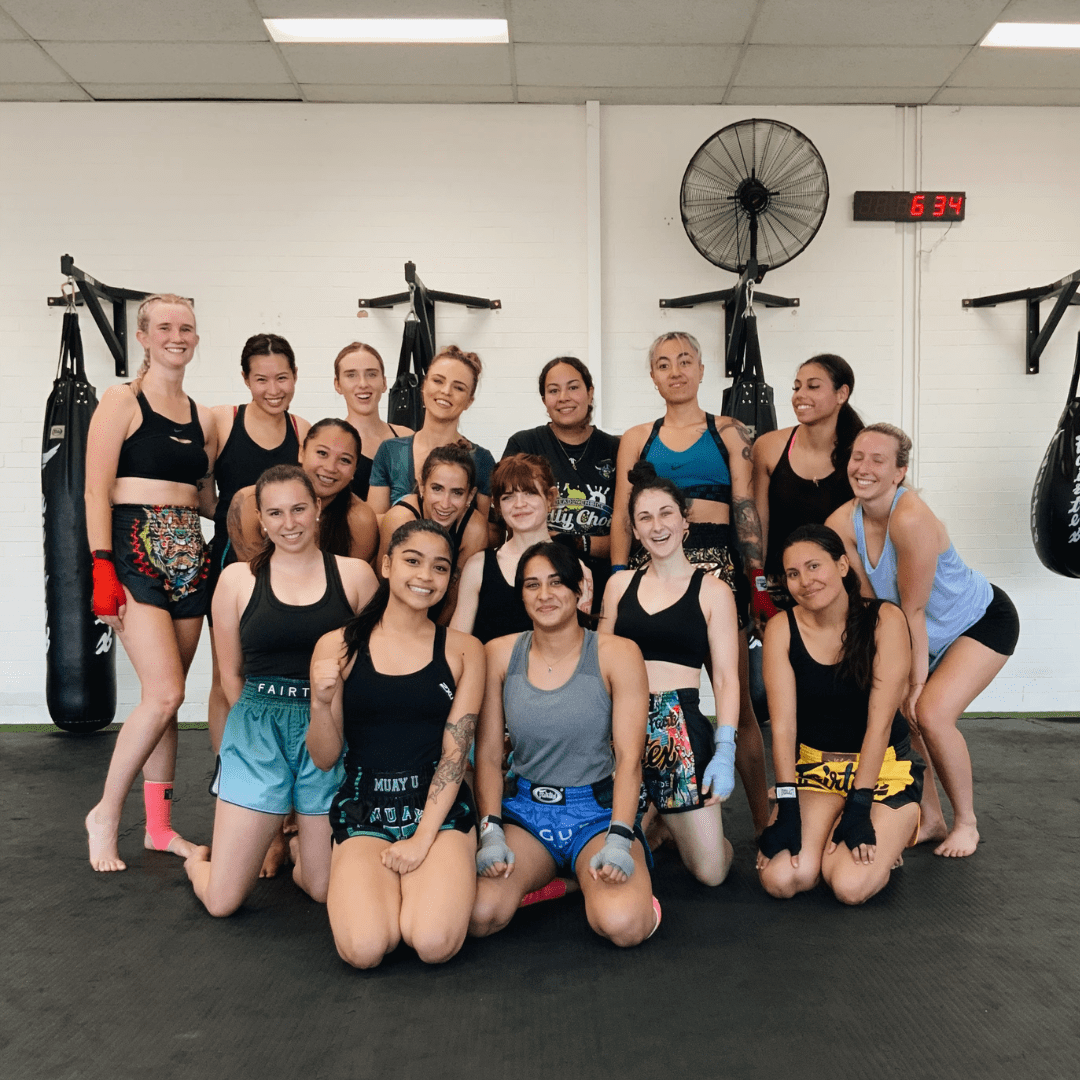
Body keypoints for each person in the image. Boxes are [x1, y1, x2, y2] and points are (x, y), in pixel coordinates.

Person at [185, 466, 378, 915]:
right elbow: (230, 676)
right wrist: (254, 737)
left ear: (317, 509)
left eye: (298, 509)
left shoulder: (355, 575)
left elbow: (371, 668)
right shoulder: (236, 580)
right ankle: (196, 862)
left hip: (328, 725)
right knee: (222, 902)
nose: (288, 523)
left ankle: (298, 849)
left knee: (323, 888)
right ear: (261, 519)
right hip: (258, 726)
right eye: (275, 513)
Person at [826, 424, 1020, 858]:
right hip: (920, 635)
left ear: (899, 472)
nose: (864, 467)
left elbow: (912, 610)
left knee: (930, 713)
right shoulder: (841, 524)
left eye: (878, 460)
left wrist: (914, 685)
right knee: (903, 717)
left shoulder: (910, 517)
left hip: (979, 622)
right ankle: (931, 819)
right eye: (858, 457)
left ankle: (966, 823)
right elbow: (876, 608)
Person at [611, 331, 769, 834]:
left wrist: (757, 584)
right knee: (642, 698)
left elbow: (744, 508)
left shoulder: (730, 431)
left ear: (702, 371)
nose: (675, 371)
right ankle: (651, 814)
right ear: (652, 376)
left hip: (717, 570)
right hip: (653, 572)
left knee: (737, 701)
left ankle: (764, 822)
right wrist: (619, 577)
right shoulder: (638, 437)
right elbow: (622, 516)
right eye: (663, 363)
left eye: (685, 361)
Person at [307, 520, 484, 968]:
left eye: (440, 567)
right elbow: (325, 758)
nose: (426, 576)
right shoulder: (337, 646)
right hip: (364, 807)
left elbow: (455, 756)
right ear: (386, 565)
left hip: (437, 811)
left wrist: (422, 840)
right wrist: (321, 704)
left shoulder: (464, 650)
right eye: (412, 561)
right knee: (365, 949)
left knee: (433, 942)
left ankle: (426, 882)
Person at [84, 294, 218, 872]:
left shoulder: (202, 416)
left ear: (196, 337)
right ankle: (106, 813)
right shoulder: (122, 400)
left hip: (190, 551)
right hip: (134, 547)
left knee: (166, 701)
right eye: (164, 326)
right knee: (164, 692)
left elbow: (208, 499)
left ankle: (159, 830)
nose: (176, 336)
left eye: (186, 327)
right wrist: (101, 565)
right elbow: (95, 489)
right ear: (142, 337)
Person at [469, 542, 659, 946]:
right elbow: (487, 756)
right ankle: (566, 880)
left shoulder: (618, 653)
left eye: (556, 582)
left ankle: (619, 881)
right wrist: (491, 832)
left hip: (596, 815)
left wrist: (620, 836)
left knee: (623, 925)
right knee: (479, 914)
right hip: (527, 812)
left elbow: (629, 759)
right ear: (521, 595)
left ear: (579, 590)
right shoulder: (498, 654)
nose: (544, 594)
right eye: (532, 585)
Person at [757, 524, 922, 904]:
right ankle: (828, 824)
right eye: (793, 573)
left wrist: (860, 805)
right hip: (817, 770)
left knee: (849, 885)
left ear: (843, 565)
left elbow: (880, 725)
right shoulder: (782, 628)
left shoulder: (885, 619)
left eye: (814, 566)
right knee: (782, 879)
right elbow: (782, 728)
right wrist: (787, 805)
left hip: (882, 770)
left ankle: (896, 823)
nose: (805, 581)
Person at [600, 463, 740, 885]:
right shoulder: (619, 586)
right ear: (634, 530)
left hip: (679, 726)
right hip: (622, 726)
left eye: (666, 514)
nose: (657, 526)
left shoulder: (714, 591)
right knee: (608, 855)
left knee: (711, 873)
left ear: (684, 521)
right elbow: (599, 665)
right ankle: (658, 820)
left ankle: (669, 822)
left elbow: (727, 678)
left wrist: (726, 748)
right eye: (645, 518)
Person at [205, 333, 310, 757]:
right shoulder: (222, 421)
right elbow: (203, 493)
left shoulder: (301, 430)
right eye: (261, 379)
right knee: (226, 672)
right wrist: (240, 522)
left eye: (282, 378)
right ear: (246, 378)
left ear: (295, 375)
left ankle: (276, 760)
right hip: (230, 561)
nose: (273, 389)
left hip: (286, 564)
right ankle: (226, 768)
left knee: (270, 669)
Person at [500, 356, 619, 597]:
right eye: (554, 391)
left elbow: (630, 532)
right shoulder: (524, 444)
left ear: (590, 393)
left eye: (573, 387)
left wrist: (577, 542)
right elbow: (509, 517)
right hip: (539, 581)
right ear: (544, 400)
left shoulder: (616, 449)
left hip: (603, 583)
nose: (563, 397)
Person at [751, 353, 863, 610]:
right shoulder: (768, 447)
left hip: (840, 587)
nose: (799, 395)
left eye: (813, 386)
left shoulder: (859, 453)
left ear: (842, 394)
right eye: (797, 387)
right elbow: (757, 529)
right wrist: (758, 589)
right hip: (781, 585)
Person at [452, 454, 592, 644]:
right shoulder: (478, 566)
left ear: (550, 498)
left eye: (530, 493)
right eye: (508, 497)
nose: (519, 504)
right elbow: (457, 643)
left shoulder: (578, 569)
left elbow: (579, 647)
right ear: (498, 506)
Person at [228, 418, 378, 569]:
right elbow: (254, 574)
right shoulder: (250, 502)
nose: (330, 468)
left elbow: (352, 578)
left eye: (345, 460)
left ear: (354, 470)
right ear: (301, 453)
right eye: (322, 453)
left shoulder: (361, 520)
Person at [367, 345, 495, 520]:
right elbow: (374, 522)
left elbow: (481, 526)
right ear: (424, 386)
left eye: (459, 388)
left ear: (469, 401)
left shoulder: (481, 460)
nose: (446, 391)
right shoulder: (390, 451)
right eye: (438, 381)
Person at [377, 442, 488, 623]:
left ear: (470, 495)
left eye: (457, 493)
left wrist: (433, 635)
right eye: (437, 489)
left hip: (440, 619)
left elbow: (455, 600)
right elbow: (384, 586)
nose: (445, 503)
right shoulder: (399, 519)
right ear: (422, 486)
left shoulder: (473, 529)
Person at [333, 341, 412, 501]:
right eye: (351, 375)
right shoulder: (330, 443)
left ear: (384, 383)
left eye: (371, 374)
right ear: (338, 384)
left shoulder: (406, 437)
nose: (363, 384)